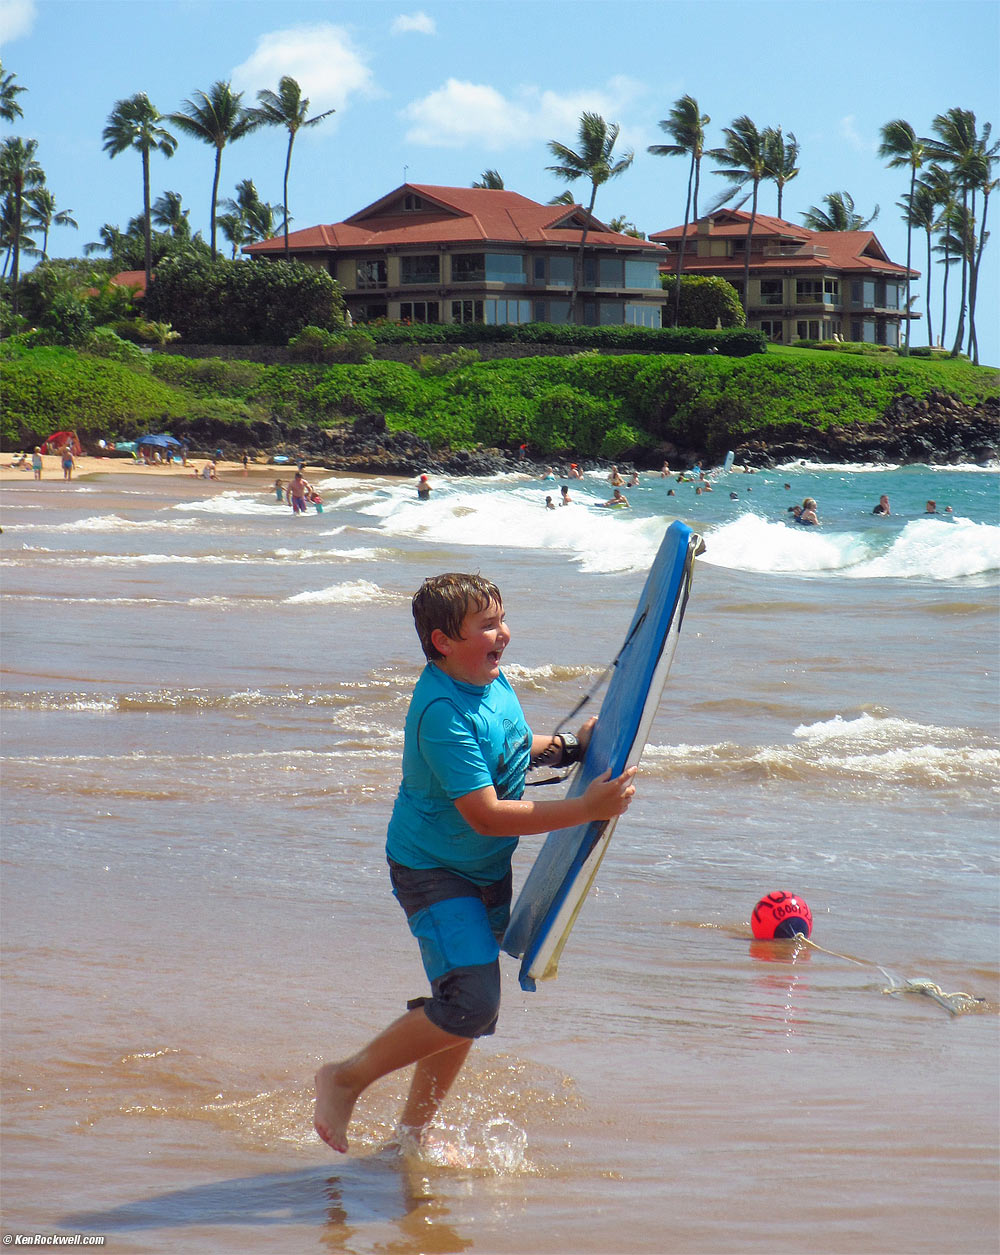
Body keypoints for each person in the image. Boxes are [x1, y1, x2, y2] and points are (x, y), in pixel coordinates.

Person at [312, 573, 636, 1155]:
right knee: (472, 1003)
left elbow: (509, 743)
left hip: (484, 871)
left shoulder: (487, 679)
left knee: (463, 1009)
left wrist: (568, 749)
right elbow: (485, 815)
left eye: (502, 618)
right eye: (487, 625)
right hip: (434, 871)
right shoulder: (440, 710)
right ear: (443, 641)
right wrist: (584, 808)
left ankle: (411, 1136)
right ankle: (344, 1078)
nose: (504, 634)